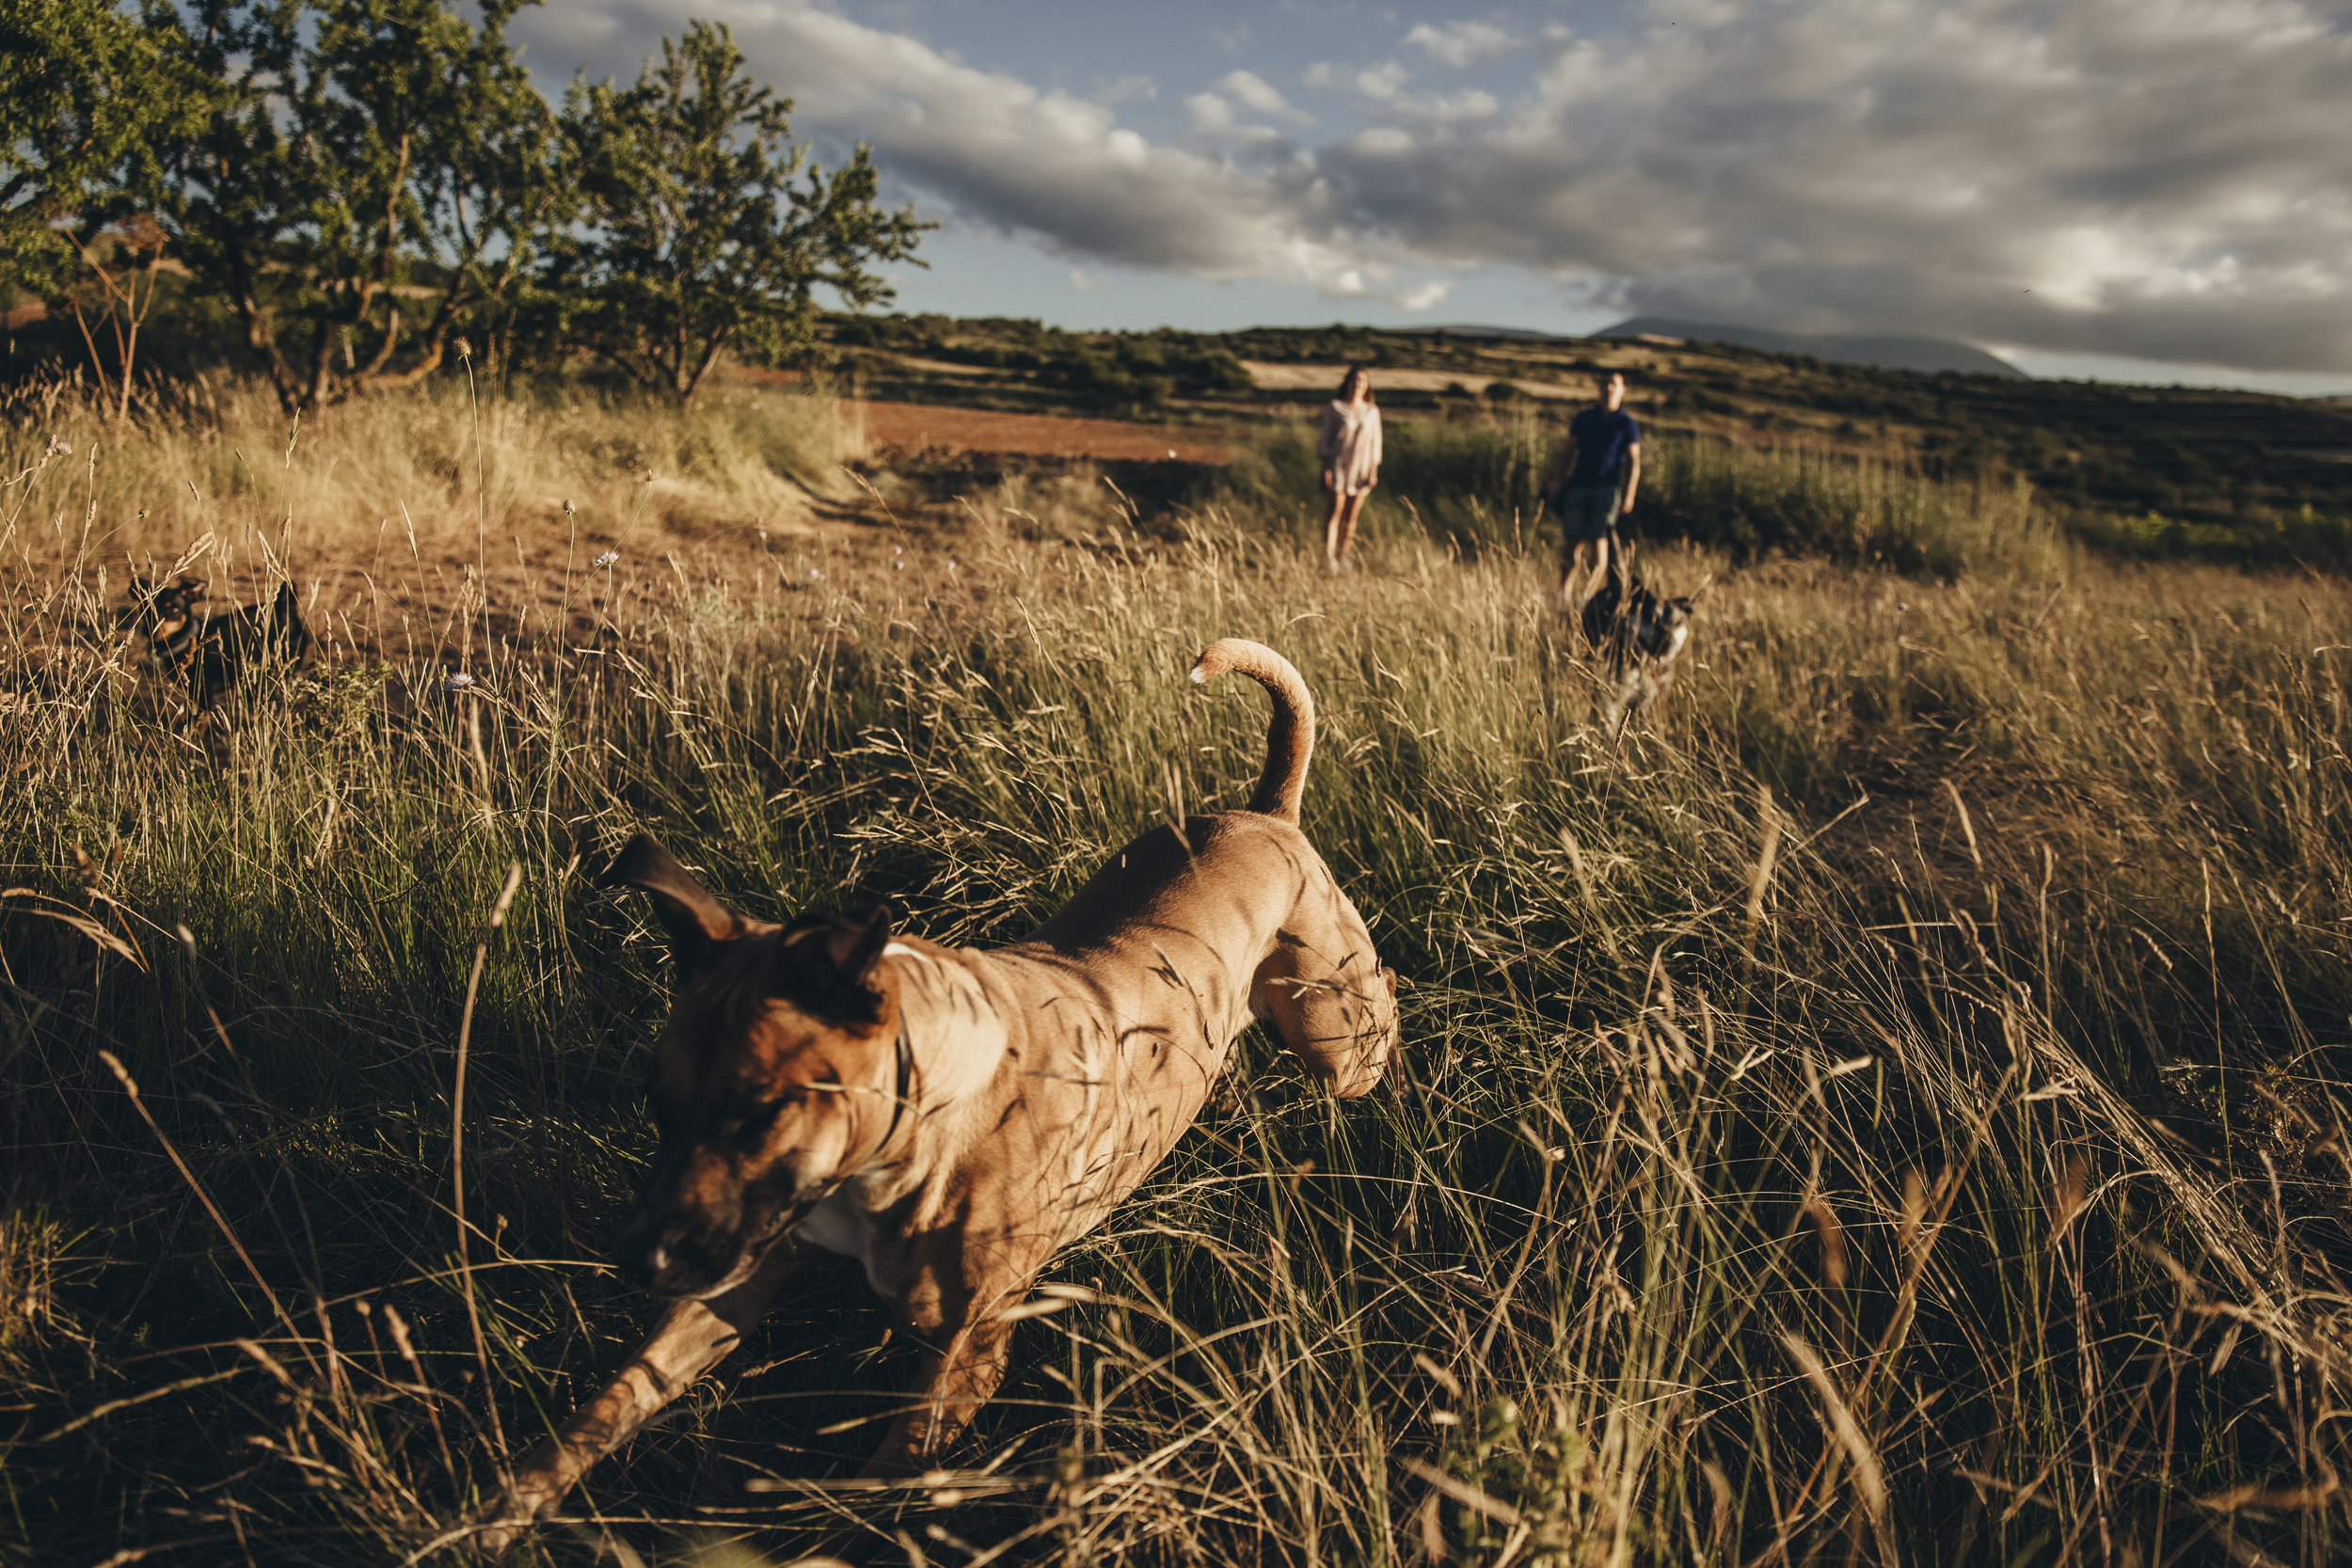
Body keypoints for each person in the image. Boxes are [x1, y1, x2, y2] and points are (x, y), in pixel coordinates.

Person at [1545, 371, 1641, 608]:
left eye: (1614, 384)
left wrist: (1630, 492)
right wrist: (1557, 479)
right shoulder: (1584, 418)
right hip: (1579, 485)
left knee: (1599, 541)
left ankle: (1587, 596)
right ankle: (1564, 595)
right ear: (1600, 388)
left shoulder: (1626, 424)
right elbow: (1568, 451)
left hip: (1607, 490)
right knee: (1572, 541)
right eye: (1606, 383)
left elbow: (1633, 461)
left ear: (1622, 390)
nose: (1609, 388)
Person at [1316, 366, 1382, 570]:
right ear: (1347, 383)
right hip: (1338, 465)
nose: (1358, 384)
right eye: (1355, 380)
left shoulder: (1372, 411)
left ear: (1367, 385)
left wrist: (1373, 470)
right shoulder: (1335, 408)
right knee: (1335, 510)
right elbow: (1325, 438)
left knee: (1351, 516)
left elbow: (1376, 442)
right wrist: (1326, 466)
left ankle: (1343, 555)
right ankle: (1328, 558)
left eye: (1362, 381)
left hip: (1362, 467)